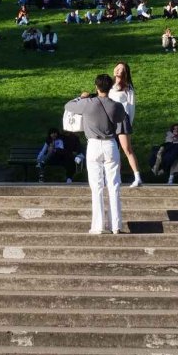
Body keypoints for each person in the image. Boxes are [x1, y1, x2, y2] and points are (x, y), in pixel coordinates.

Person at [64, 75, 134, 235]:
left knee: (96, 187)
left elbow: (68, 106)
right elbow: (120, 118)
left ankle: (98, 226)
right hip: (110, 144)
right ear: (110, 88)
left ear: (96, 87)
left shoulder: (87, 103)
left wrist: (81, 97)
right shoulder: (116, 106)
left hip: (94, 145)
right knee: (114, 185)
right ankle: (116, 226)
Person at [108, 63, 143, 187]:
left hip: (122, 120)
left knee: (127, 149)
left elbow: (131, 107)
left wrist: (128, 123)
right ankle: (115, 178)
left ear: (125, 73)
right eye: (117, 68)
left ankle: (137, 176)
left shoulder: (127, 88)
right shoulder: (109, 86)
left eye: (121, 69)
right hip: (109, 121)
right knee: (112, 151)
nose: (118, 70)